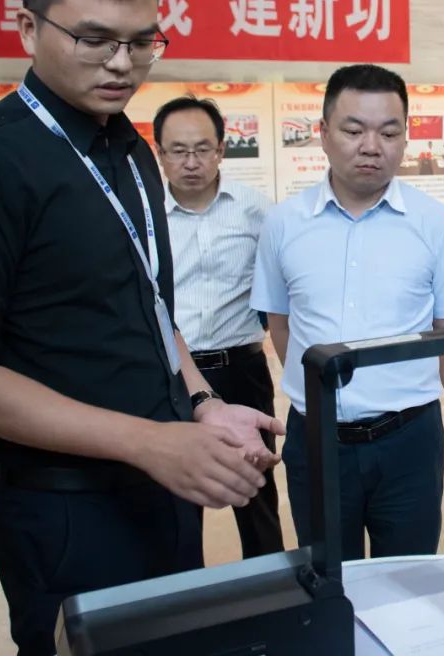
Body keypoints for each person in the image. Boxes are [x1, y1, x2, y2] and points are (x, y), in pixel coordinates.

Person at [0, 0, 282, 653]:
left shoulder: (132, 151)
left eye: (142, 42)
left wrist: (203, 404)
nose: (121, 63)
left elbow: (150, 307)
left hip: (165, 488)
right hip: (65, 509)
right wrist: (149, 442)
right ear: (28, 28)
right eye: (94, 39)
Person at [252, 64, 444, 561]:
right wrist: (321, 394)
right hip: (316, 439)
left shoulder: (436, 224)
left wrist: (403, 394)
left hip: (410, 442)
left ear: (405, 138)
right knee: (328, 578)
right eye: (354, 130)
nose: (371, 146)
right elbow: (281, 325)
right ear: (323, 133)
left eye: (389, 132)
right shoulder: (284, 223)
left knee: (409, 576)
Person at [155, 95, 283, 558]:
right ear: (160, 153)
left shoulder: (256, 210)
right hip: (171, 376)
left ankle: (270, 584)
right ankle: (184, 590)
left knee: (256, 486)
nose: (191, 162)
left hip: (242, 369)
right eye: (178, 151)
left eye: (202, 149)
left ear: (221, 150)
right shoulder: (145, 216)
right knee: (177, 495)